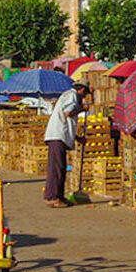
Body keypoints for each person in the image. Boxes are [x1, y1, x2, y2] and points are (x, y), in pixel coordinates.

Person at [43, 80, 91, 208]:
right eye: (85, 94)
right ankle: (52, 197)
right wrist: (82, 109)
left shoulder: (67, 95)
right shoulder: (72, 95)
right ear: (82, 90)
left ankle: (59, 196)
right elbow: (68, 113)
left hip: (59, 136)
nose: (84, 97)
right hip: (57, 137)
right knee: (56, 168)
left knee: (61, 167)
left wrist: (77, 138)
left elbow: (65, 121)